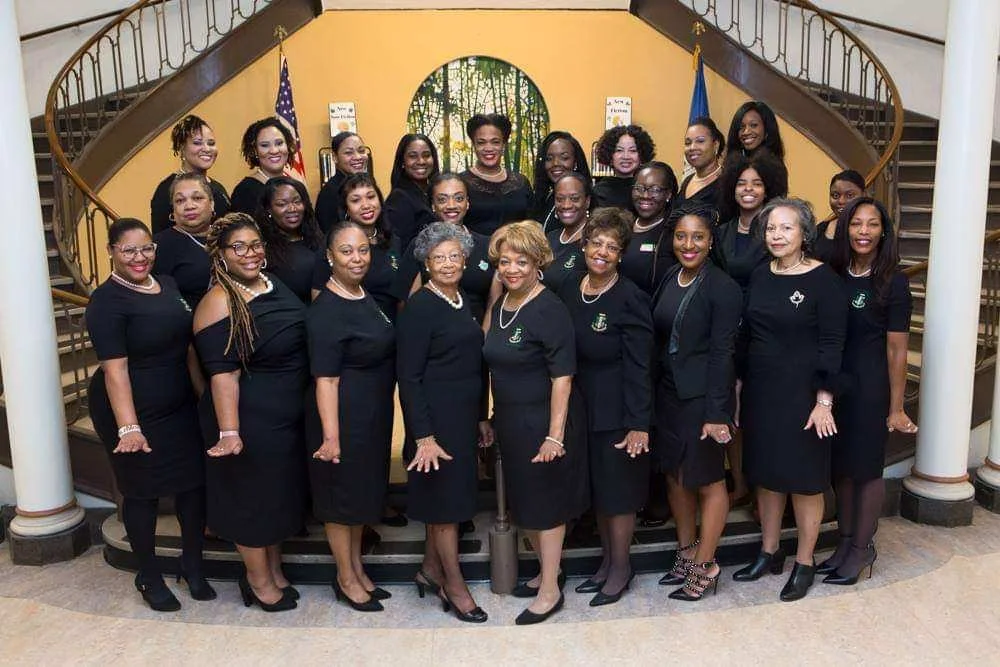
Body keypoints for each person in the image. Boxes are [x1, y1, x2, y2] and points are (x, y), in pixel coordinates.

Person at [86, 218, 211, 612]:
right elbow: (115, 370)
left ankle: (192, 564)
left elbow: (188, 347)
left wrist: (203, 398)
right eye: (128, 251)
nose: (139, 258)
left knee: (193, 486)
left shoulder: (168, 285)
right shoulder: (106, 301)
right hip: (132, 410)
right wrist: (129, 427)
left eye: (146, 249)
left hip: (178, 403)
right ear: (111, 252)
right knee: (143, 492)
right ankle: (149, 576)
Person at [733, 198, 847, 602]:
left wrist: (824, 400)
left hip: (805, 395)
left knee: (804, 479)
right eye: (770, 229)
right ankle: (769, 550)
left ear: (805, 234)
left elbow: (834, 344)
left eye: (786, 228)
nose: (777, 235)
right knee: (766, 474)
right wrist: (739, 385)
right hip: (763, 391)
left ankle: (804, 561)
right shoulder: (761, 275)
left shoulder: (824, 281)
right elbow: (747, 336)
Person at [193, 212, 308, 613]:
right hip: (247, 420)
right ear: (221, 255)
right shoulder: (219, 301)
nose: (250, 253)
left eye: (255, 245)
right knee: (251, 501)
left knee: (275, 499)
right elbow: (223, 376)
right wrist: (230, 432)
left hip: (283, 417)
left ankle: (273, 570)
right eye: (238, 247)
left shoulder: (272, 283)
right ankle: (258, 582)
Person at [482, 221, 586, 625]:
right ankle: (546, 572)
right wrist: (491, 417)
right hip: (510, 420)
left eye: (521, 261)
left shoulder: (549, 308)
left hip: (544, 423)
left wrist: (554, 436)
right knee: (528, 504)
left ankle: (550, 590)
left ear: (538, 261)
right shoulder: (502, 304)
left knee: (546, 506)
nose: (511, 269)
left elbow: (563, 377)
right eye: (504, 261)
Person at [556, 208, 653, 607]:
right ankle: (606, 562)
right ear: (584, 245)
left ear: (621, 255)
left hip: (619, 410)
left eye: (612, 248)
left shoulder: (630, 298)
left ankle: (621, 568)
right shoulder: (567, 288)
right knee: (598, 490)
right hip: (582, 408)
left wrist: (638, 423)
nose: (602, 252)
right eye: (596, 243)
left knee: (619, 493)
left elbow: (641, 366)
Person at [397, 222, 492, 623]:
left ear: (466, 260)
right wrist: (423, 436)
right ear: (426, 263)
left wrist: (480, 417)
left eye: (455, 256)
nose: (448, 263)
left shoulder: (460, 301)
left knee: (449, 504)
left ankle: (430, 570)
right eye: (439, 257)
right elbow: (409, 376)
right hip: (433, 428)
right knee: (444, 511)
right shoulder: (421, 307)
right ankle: (455, 587)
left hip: (461, 420)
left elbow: (471, 365)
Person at [651, 203, 742, 602]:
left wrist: (718, 413)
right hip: (669, 395)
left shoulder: (722, 287)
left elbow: (724, 353)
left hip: (703, 399)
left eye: (698, 237)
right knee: (675, 475)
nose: (688, 244)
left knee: (707, 480)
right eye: (681, 236)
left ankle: (707, 563)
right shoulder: (672, 276)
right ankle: (686, 552)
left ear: (711, 242)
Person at [822, 197, 916, 585]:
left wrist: (896, 406)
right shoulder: (833, 273)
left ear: (883, 231)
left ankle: (862, 549)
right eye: (856, 224)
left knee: (865, 470)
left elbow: (897, 350)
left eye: (872, 224)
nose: (863, 232)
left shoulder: (894, 281)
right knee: (840, 469)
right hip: (834, 386)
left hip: (870, 386)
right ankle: (845, 542)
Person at [306, 219, 396, 613]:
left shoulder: (361, 294)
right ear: (329, 257)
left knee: (359, 496)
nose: (357, 258)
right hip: (341, 418)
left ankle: (357, 568)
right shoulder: (326, 309)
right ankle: (345, 577)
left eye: (362, 250)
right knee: (340, 500)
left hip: (370, 415)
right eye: (346, 251)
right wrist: (331, 437)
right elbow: (325, 380)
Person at [711, 151, 788, 507]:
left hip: (765, 333)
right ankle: (740, 482)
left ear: (768, 188)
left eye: (756, 183)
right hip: (728, 332)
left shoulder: (776, 231)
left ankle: (765, 490)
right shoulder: (722, 231)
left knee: (761, 416)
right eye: (742, 183)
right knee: (733, 412)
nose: (748, 189)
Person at [393, 172, 500, 323]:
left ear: (467, 203)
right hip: (432, 336)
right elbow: (406, 304)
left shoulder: (487, 245)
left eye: (458, 198)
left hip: (480, 335)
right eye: (442, 199)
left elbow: (493, 304)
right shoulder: (420, 245)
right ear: (433, 205)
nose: (451, 205)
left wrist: (483, 339)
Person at [312, 174, 401, 320]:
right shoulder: (334, 243)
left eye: (371, 197)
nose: (366, 205)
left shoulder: (392, 239)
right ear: (346, 208)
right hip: (353, 330)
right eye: (356, 200)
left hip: (391, 329)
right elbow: (318, 298)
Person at [150, 115, 229, 234]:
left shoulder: (218, 187)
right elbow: (161, 238)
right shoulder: (167, 189)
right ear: (182, 148)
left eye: (211, 143)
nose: (207, 149)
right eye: (197, 143)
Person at [460, 113, 533, 236]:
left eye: (495, 142)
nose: (488, 148)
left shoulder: (521, 183)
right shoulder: (460, 183)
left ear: (504, 145)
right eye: (481, 142)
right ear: (474, 145)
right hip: (474, 253)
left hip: (517, 253)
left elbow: (532, 224)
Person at [255, 176, 323, 303]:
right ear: (268, 209)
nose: (292, 209)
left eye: (297, 201)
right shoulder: (262, 249)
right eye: (282, 204)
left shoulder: (317, 237)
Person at [152, 172, 214, 310]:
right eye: (180, 201)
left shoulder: (227, 235)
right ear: (173, 209)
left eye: (197, 198)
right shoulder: (160, 245)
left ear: (212, 204)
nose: (189, 206)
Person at [621, 161, 679, 295]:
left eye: (655, 190)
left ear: (668, 194)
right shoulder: (622, 226)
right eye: (639, 188)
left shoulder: (674, 233)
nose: (645, 196)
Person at [384, 133, 440, 250]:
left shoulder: (434, 192)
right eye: (413, 156)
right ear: (402, 162)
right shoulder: (399, 199)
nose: (421, 161)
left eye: (426, 155)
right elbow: (402, 246)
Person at [230, 118, 295, 215]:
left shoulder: (294, 186)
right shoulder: (245, 191)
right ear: (255, 151)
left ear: (288, 146)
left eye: (279, 143)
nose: (274, 151)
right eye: (265, 145)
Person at [531, 131, 592, 231]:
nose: (555, 163)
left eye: (564, 158)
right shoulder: (544, 199)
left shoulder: (589, 201)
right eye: (549, 159)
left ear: (575, 162)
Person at [315, 131, 372, 234]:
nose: (358, 157)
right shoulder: (330, 192)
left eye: (361, 151)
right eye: (349, 153)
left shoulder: (367, 185)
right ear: (335, 157)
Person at [542, 173, 591, 294]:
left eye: (574, 199)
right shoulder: (550, 237)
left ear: (587, 201)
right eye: (560, 199)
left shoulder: (594, 242)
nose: (566, 205)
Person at [592, 125, 656, 210]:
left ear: (641, 155)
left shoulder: (650, 189)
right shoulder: (598, 192)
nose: (626, 156)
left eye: (632, 150)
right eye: (619, 150)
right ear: (610, 155)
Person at [674, 117, 726, 221]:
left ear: (715, 145)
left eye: (700, 141)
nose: (692, 147)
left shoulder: (726, 181)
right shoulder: (687, 181)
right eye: (688, 143)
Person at [815, 170, 867, 262]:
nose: (841, 201)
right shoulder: (820, 230)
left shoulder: (874, 229)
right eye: (835, 195)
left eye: (850, 195)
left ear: (864, 195)